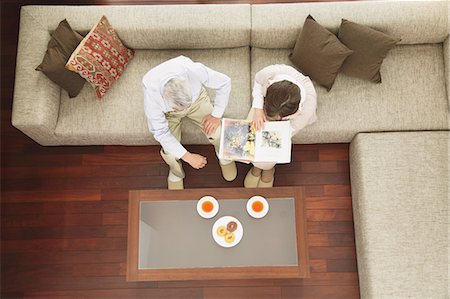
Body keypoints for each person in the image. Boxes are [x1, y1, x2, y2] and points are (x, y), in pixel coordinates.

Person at [143, 55, 236, 190]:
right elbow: (161, 133)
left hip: (197, 102)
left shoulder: (192, 69)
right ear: (163, 98)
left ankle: (223, 156)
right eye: (181, 109)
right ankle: (176, 172)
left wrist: (216, 115)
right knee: (170, 152)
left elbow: (224, 82)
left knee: (218, 132)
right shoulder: (151, 97)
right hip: (169, 114)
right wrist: (188, 157)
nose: (185, 112)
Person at [244, 64, 317, 188]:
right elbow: (258, 82)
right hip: (263, 109)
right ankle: (257, 167)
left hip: (288, 124)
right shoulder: (270, 73)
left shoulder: (306, 110)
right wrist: (258, 109)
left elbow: (289, 131)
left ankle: (267, 170)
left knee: (268, 152)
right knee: (248, 134)